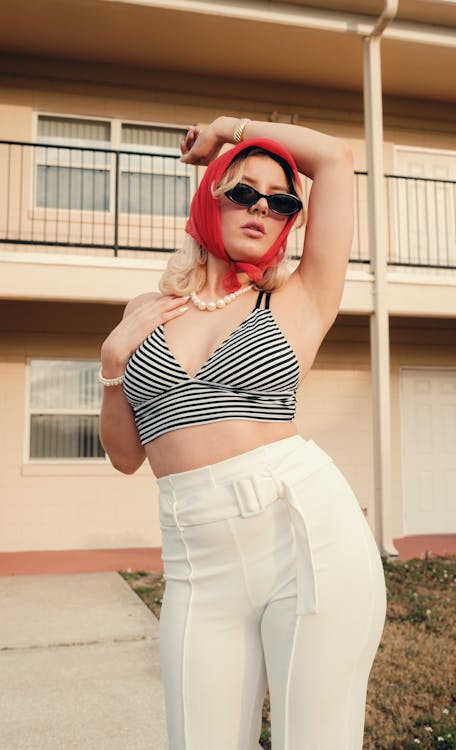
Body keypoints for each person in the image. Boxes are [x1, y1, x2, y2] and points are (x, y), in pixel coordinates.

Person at [99, 115, 386, 750]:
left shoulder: (299, 299)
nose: (262, 206)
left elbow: (336, 161)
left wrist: (228, 132)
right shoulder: (144, 312)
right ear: (209, 199)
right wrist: (114, 365)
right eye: (242, 190)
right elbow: (124, 456)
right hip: (196, 559)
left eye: (281, 201)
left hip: (305, 536)